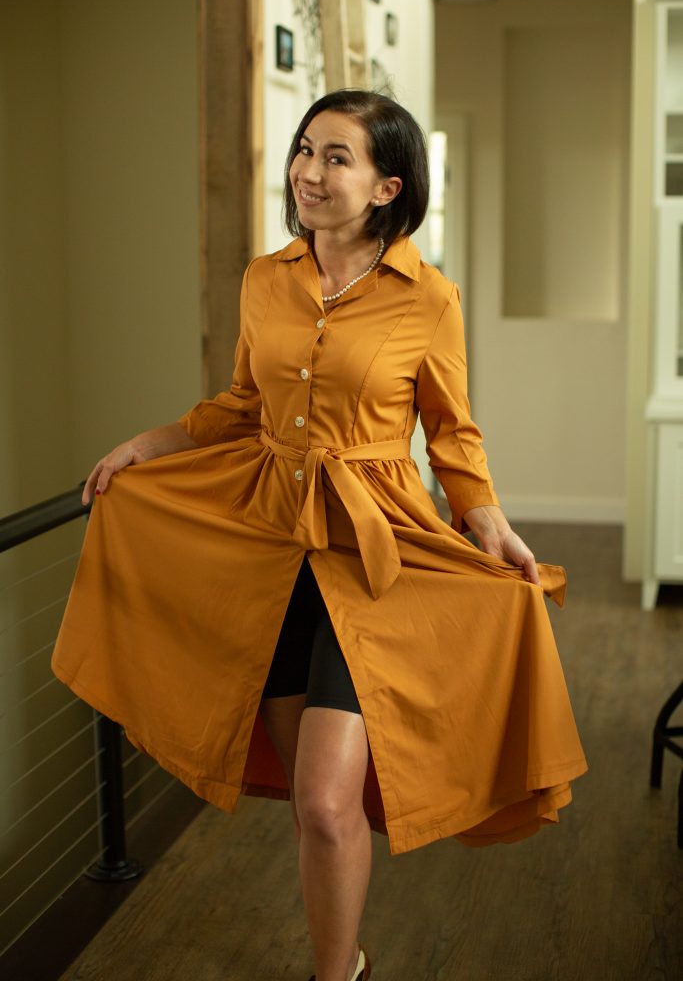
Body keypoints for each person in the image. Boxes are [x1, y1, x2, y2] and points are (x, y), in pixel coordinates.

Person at [52, 89, 587, 981]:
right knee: (310, 802)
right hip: (264, 546)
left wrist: (487, 523)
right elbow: (243, 404)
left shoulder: (430, 297)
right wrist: (147, 446)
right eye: (306, 150)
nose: (309, 171)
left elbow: (452, 431)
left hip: (372, 550)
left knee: (332, 803)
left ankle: (335, 975)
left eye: (337, 157)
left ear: (386, 186)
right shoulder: (267, 278)